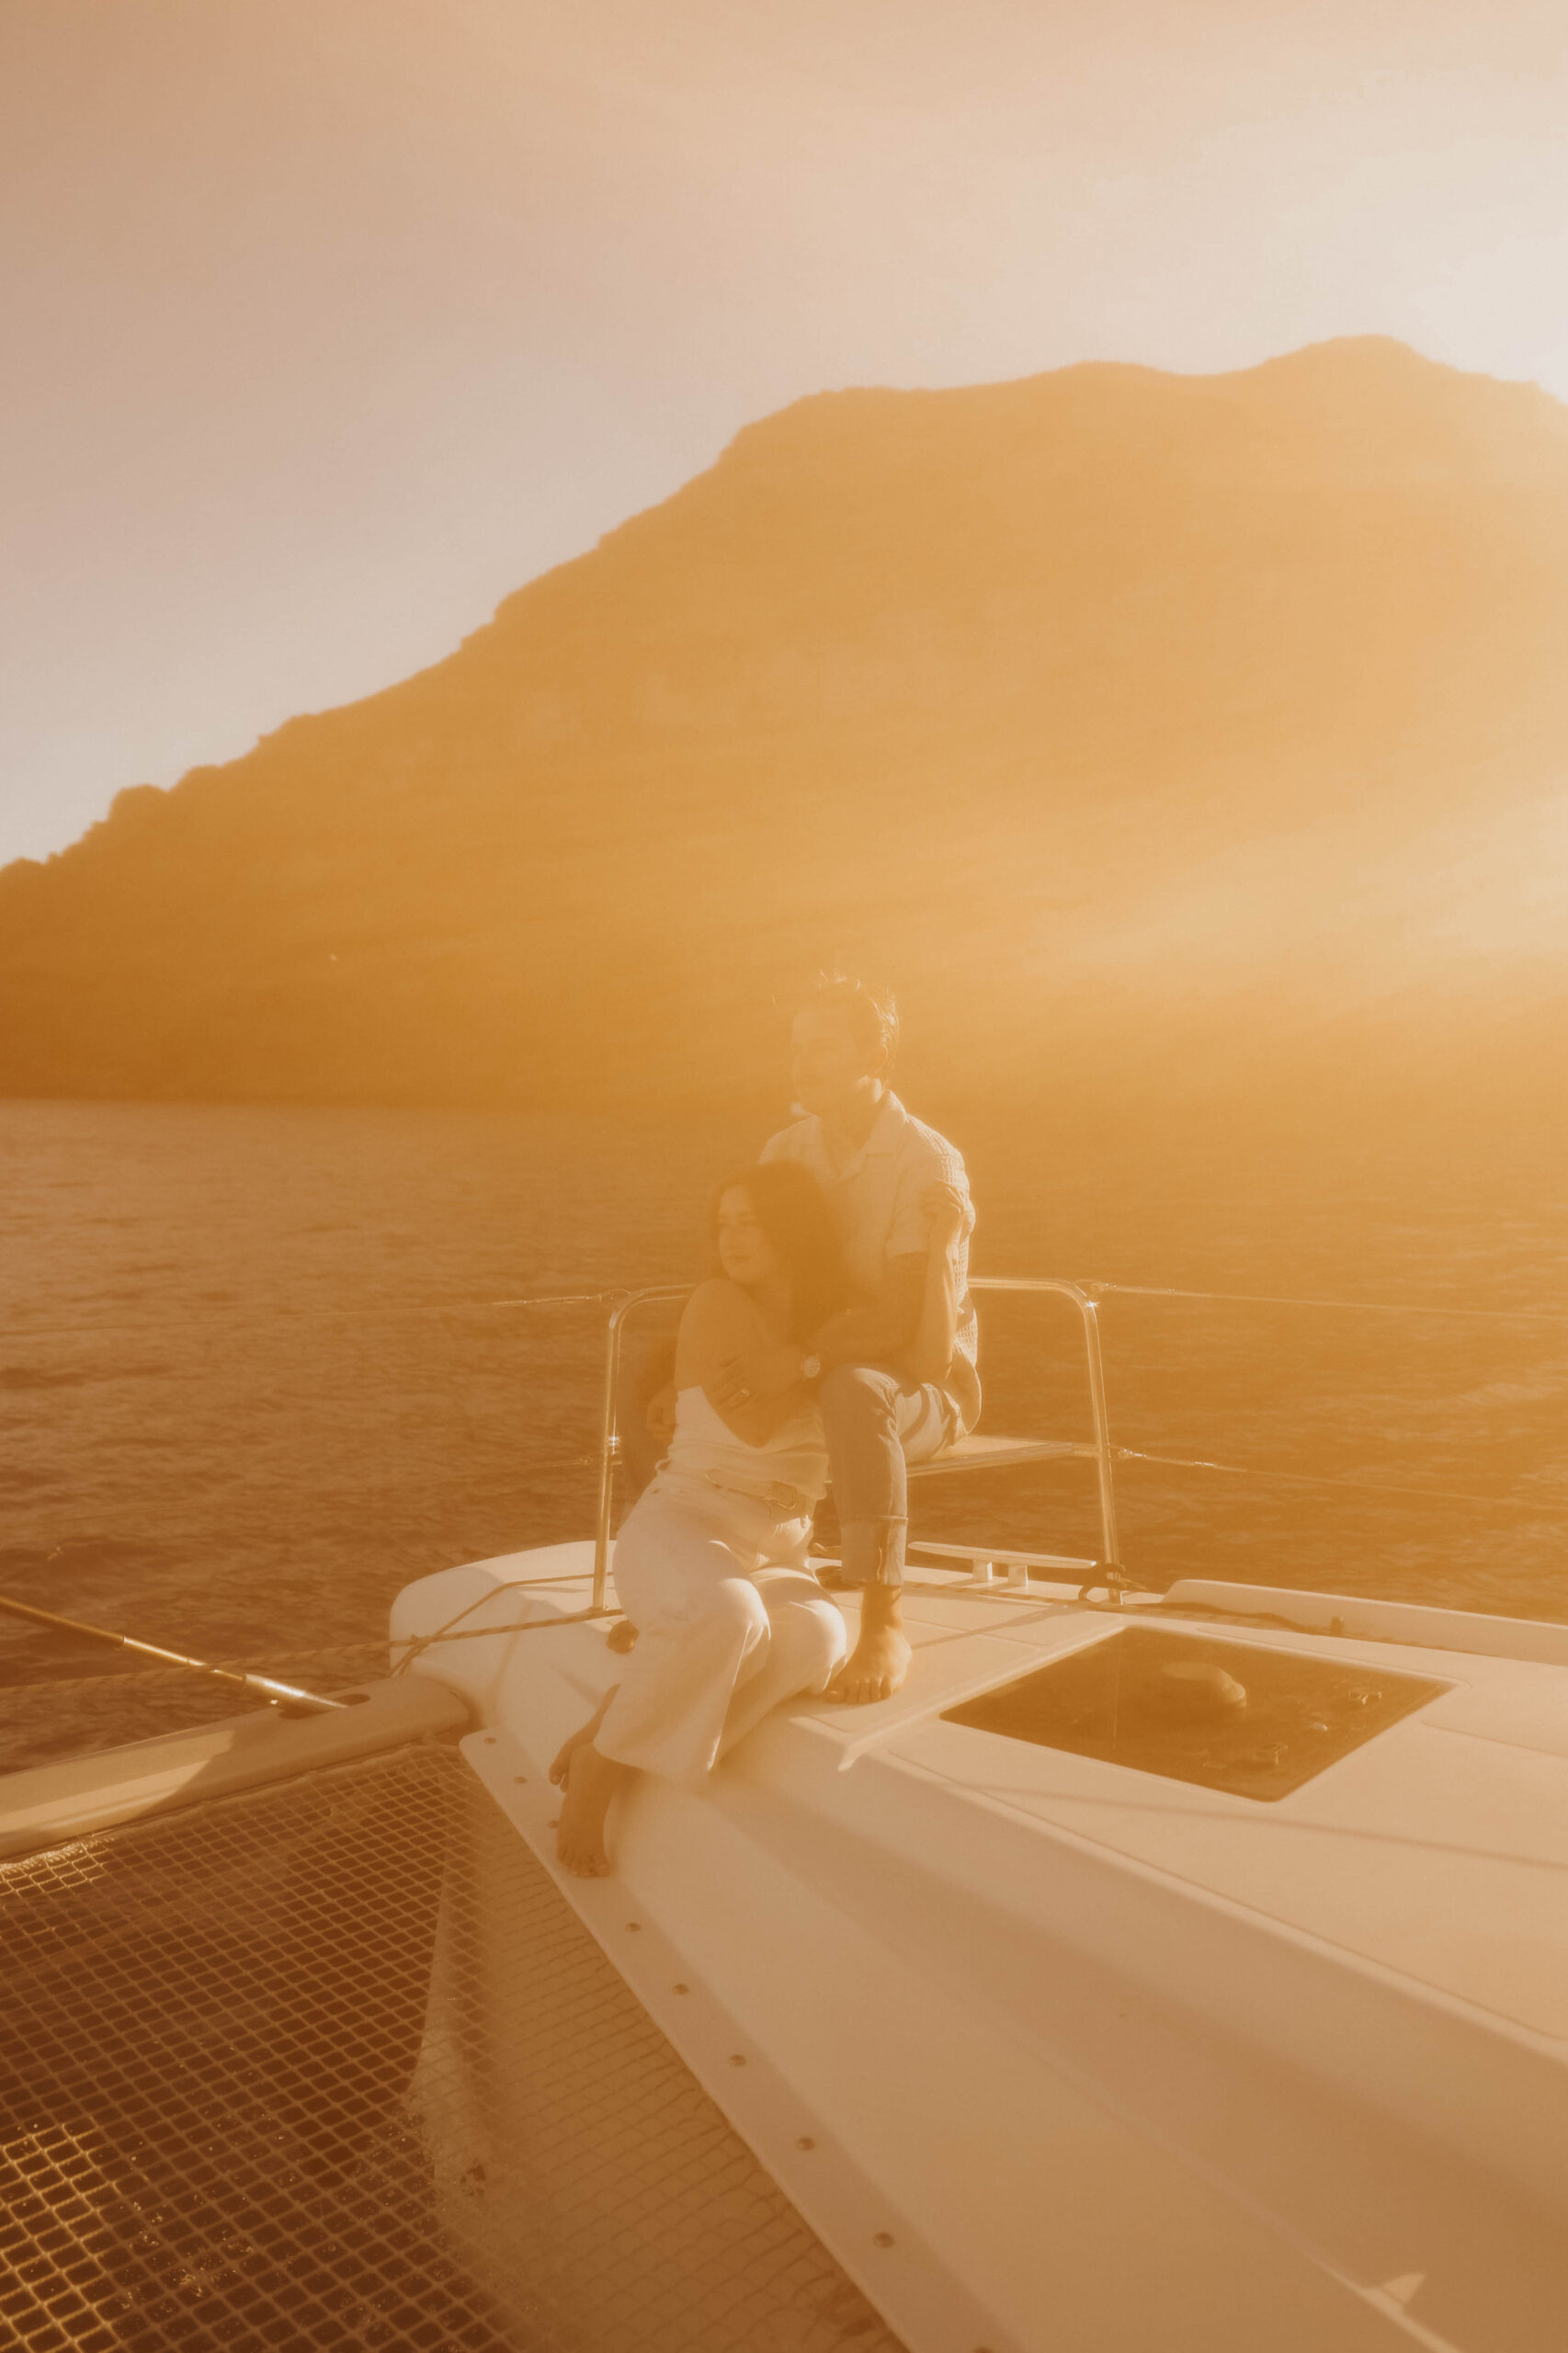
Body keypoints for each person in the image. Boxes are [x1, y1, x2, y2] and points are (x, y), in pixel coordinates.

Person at [553, 1159, 966, 1877]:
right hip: (686, 1519)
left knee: (816, 1638)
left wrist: (942, 1249)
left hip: (781, 1543)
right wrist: (825, 1357)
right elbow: (758, 1421)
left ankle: (630, 1711)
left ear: (790, 1228)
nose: (732, 1238)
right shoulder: (717, 1301)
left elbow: (928, 1360)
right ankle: (601, 1770)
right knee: (730, 1617)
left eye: (751, 1221)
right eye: (725, 1223)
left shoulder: (833, 1319)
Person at [711, 979, 978, 1705]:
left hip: (920, 1380)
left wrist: (794, 1360)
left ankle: (885, 1618)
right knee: (676, 1370)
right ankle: (696, 1599)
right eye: (796, 1048)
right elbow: (759, 1278)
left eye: (822, 1048)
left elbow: (897, 1320)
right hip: (817, 1354)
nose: (802, 1065)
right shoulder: (787, 1148)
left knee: (851, 1386)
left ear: (875, 1053)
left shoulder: (925, 1162)